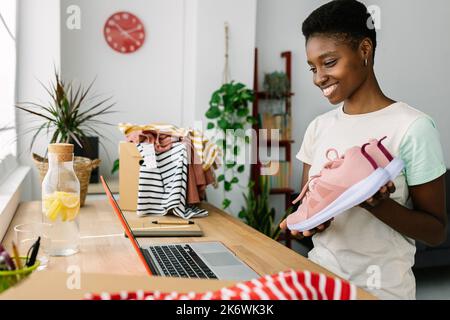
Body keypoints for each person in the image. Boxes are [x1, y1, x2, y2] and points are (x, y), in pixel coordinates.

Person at [279, 0, 447, 299]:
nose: (318, 78)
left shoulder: (414, 126)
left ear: (364, 50)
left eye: (329, 63)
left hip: (381, 292)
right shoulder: (319, 127)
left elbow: (435, 232)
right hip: (318, 286)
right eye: (313, 68)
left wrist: (375, 202)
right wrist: (309, 224)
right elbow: (308, 208)